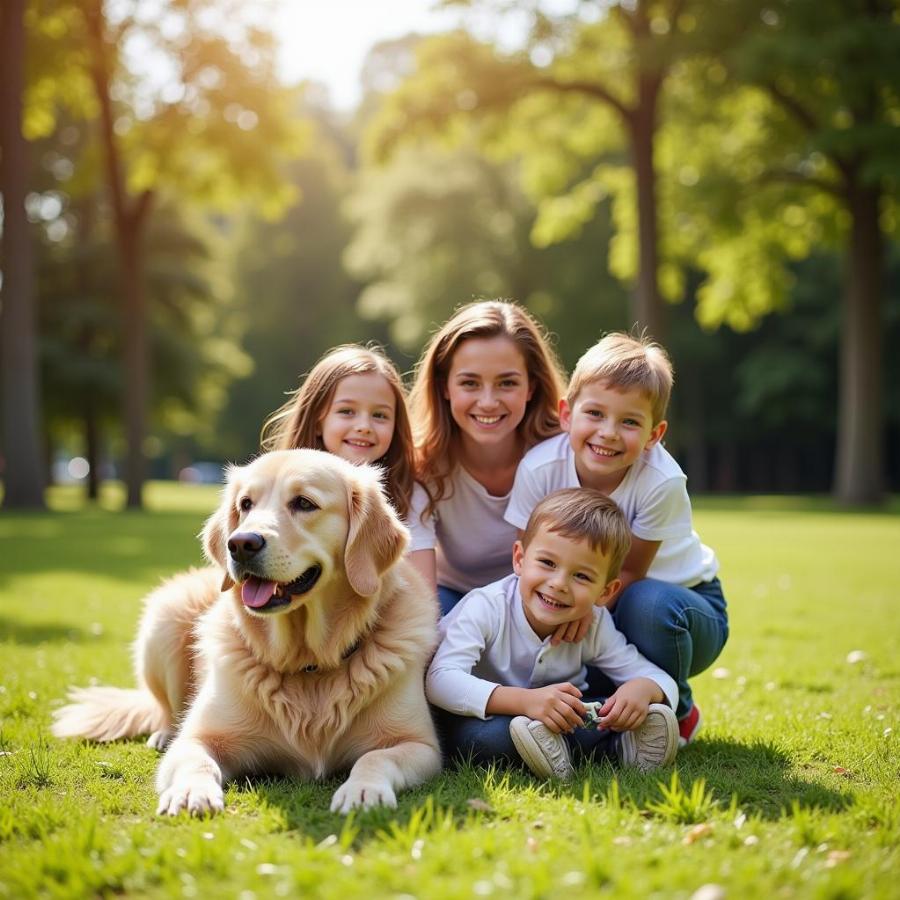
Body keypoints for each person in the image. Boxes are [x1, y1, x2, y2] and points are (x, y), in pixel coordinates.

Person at [505, 332, 728, 746]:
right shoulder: (539, 469)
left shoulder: (660, 481)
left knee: (645, 606)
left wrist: (575, 611)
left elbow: (629, 572)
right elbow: (528, 558)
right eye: (595, 414)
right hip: (593, 591)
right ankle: (608, 717)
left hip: (681, 605)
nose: (608, 433)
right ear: (566, 414)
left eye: (629, 422)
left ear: (653, 434)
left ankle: (676, 709)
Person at [426, 488, 679, 779]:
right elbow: (440, 681)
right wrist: (525, 702)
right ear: (520, 558)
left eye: (581, 576)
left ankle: (619, 744)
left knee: (593, 713)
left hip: (558, 720)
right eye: (547, 563)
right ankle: (584, 747)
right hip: (486, 717)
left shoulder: (594, 622)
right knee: (484, 739)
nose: (559, 584)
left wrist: (644, 688)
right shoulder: (485, 607)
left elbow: (660, 678)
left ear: (606, 592)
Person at [406, 300, 566, 615]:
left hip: (545, 600)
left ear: (531, 387)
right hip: (456, 596)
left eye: (507, 383)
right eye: (470, 383)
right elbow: (421, 598)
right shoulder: (422, 465)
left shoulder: (564, 454)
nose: (488, 402)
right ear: (445, 387)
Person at [260, 343, 416, 522]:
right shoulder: (273, 489)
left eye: (379, 415)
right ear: (317, 422)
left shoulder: (411, 494)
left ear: (396, 426)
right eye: (347, 411)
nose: (364, 426)